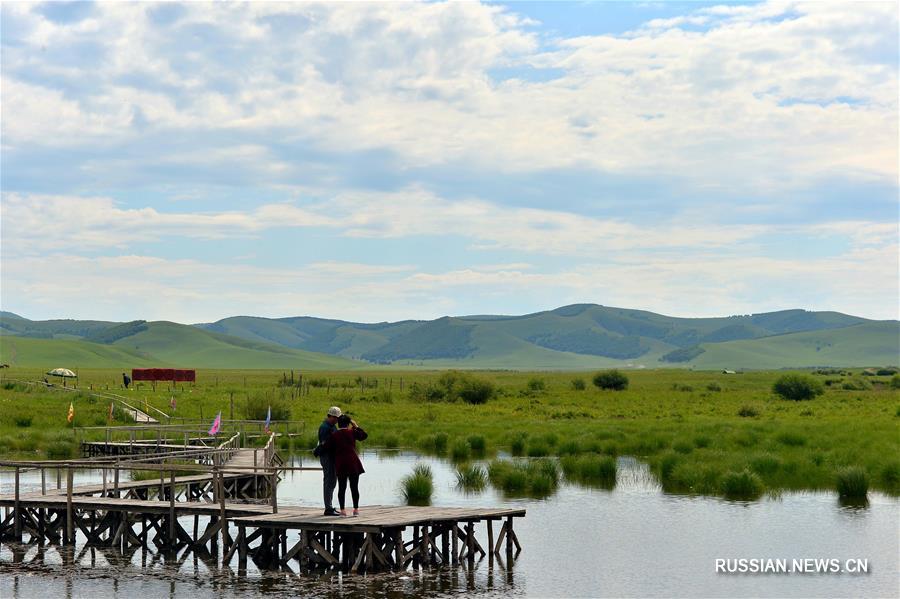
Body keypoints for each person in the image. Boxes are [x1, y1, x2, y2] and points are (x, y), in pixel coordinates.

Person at [323, 414, 368, 517]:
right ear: (348, 424)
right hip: (353, 463)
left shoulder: (334, 435)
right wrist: (356, 426)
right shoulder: (352, 432)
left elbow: (326, 447)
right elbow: (364, 436)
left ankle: (343, 511)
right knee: (354, 487)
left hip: (341, 463)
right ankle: (356, 510)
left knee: (342, 488)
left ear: (338, 424)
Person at [316, 406, 341, 516]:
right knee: (329, 482)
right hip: (327, 457)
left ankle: (329, 506)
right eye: (335, 417)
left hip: (332, 457)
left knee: (332, 481)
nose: (336, 420)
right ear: (329, 416)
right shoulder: (325, 427)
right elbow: (325, 444)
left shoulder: (331, 426)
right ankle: (328, 508)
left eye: (337, 418)